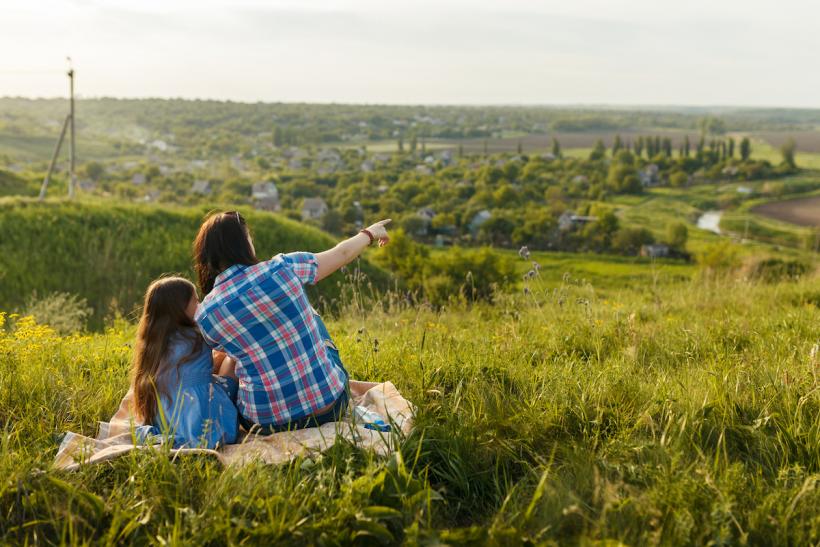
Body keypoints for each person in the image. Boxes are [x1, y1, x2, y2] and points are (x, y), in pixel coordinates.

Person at [193, 211, 388, 434]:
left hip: (265, 424)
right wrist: (370, 233)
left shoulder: (206, 314)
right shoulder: (284, 267)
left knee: (233, 353)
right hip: (329, 406)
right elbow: (342, 253)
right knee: (311, 315)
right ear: (244, 243)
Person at [130, 276, 239, 448]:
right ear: (180, 308)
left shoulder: (152, 343)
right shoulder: (199, 331)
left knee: (209, 365)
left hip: (167, 414)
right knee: (230, 359)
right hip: (202, 419)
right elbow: (234, 346)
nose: (200, 304)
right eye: (196, 301)